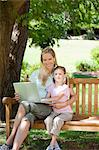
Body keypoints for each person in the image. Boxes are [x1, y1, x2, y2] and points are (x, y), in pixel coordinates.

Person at [0, 48, 75, 150]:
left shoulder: (58, 74)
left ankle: (10, 139)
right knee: (26, 119)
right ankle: (14, 148)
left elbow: (67, 94)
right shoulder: (35, 73)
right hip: (33, 106)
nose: (47, 62)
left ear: (54, 59)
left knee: (24, 105)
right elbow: (28, 90)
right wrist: (19, 96)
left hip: (47, 108)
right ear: (41, 61)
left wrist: (62, 104)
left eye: (50, 59)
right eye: (45, 60)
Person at [44, 66, 76, 150]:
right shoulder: (51, 87)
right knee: (48, 120)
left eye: (60, 74)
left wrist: (46, 100)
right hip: (55, 112)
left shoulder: (65, 87)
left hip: (66, 113)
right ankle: (55, 144)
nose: (58, 76)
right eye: (56, 74)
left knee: (57, 120)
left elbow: (57, 98)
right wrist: (46, 100)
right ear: (53, 76)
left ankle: (51, 145)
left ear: (64, 76)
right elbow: (47, 97)